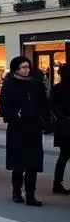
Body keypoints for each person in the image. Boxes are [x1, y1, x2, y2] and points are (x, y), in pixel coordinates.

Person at [0, 55, 51, 206]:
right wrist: (15, 114)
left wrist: (47, 120)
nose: (26, 70)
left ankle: (31, 195)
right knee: (19, 163)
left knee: (33, 164)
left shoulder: (36, 84)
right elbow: (3, 108)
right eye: (23, 67)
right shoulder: (10, 85)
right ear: (16, 69)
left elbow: (44, 105)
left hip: (33, 128)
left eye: (27, 67)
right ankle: (16, 191)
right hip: (17, 129)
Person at [49, 63, 70, 195]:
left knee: (64, 156)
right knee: (64, 156)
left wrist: (62, 117)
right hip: (65, 124)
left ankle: (58, 183)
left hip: (63, 125)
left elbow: (52, 106)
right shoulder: (58, 89)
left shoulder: (56, 88)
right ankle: (58, 183)